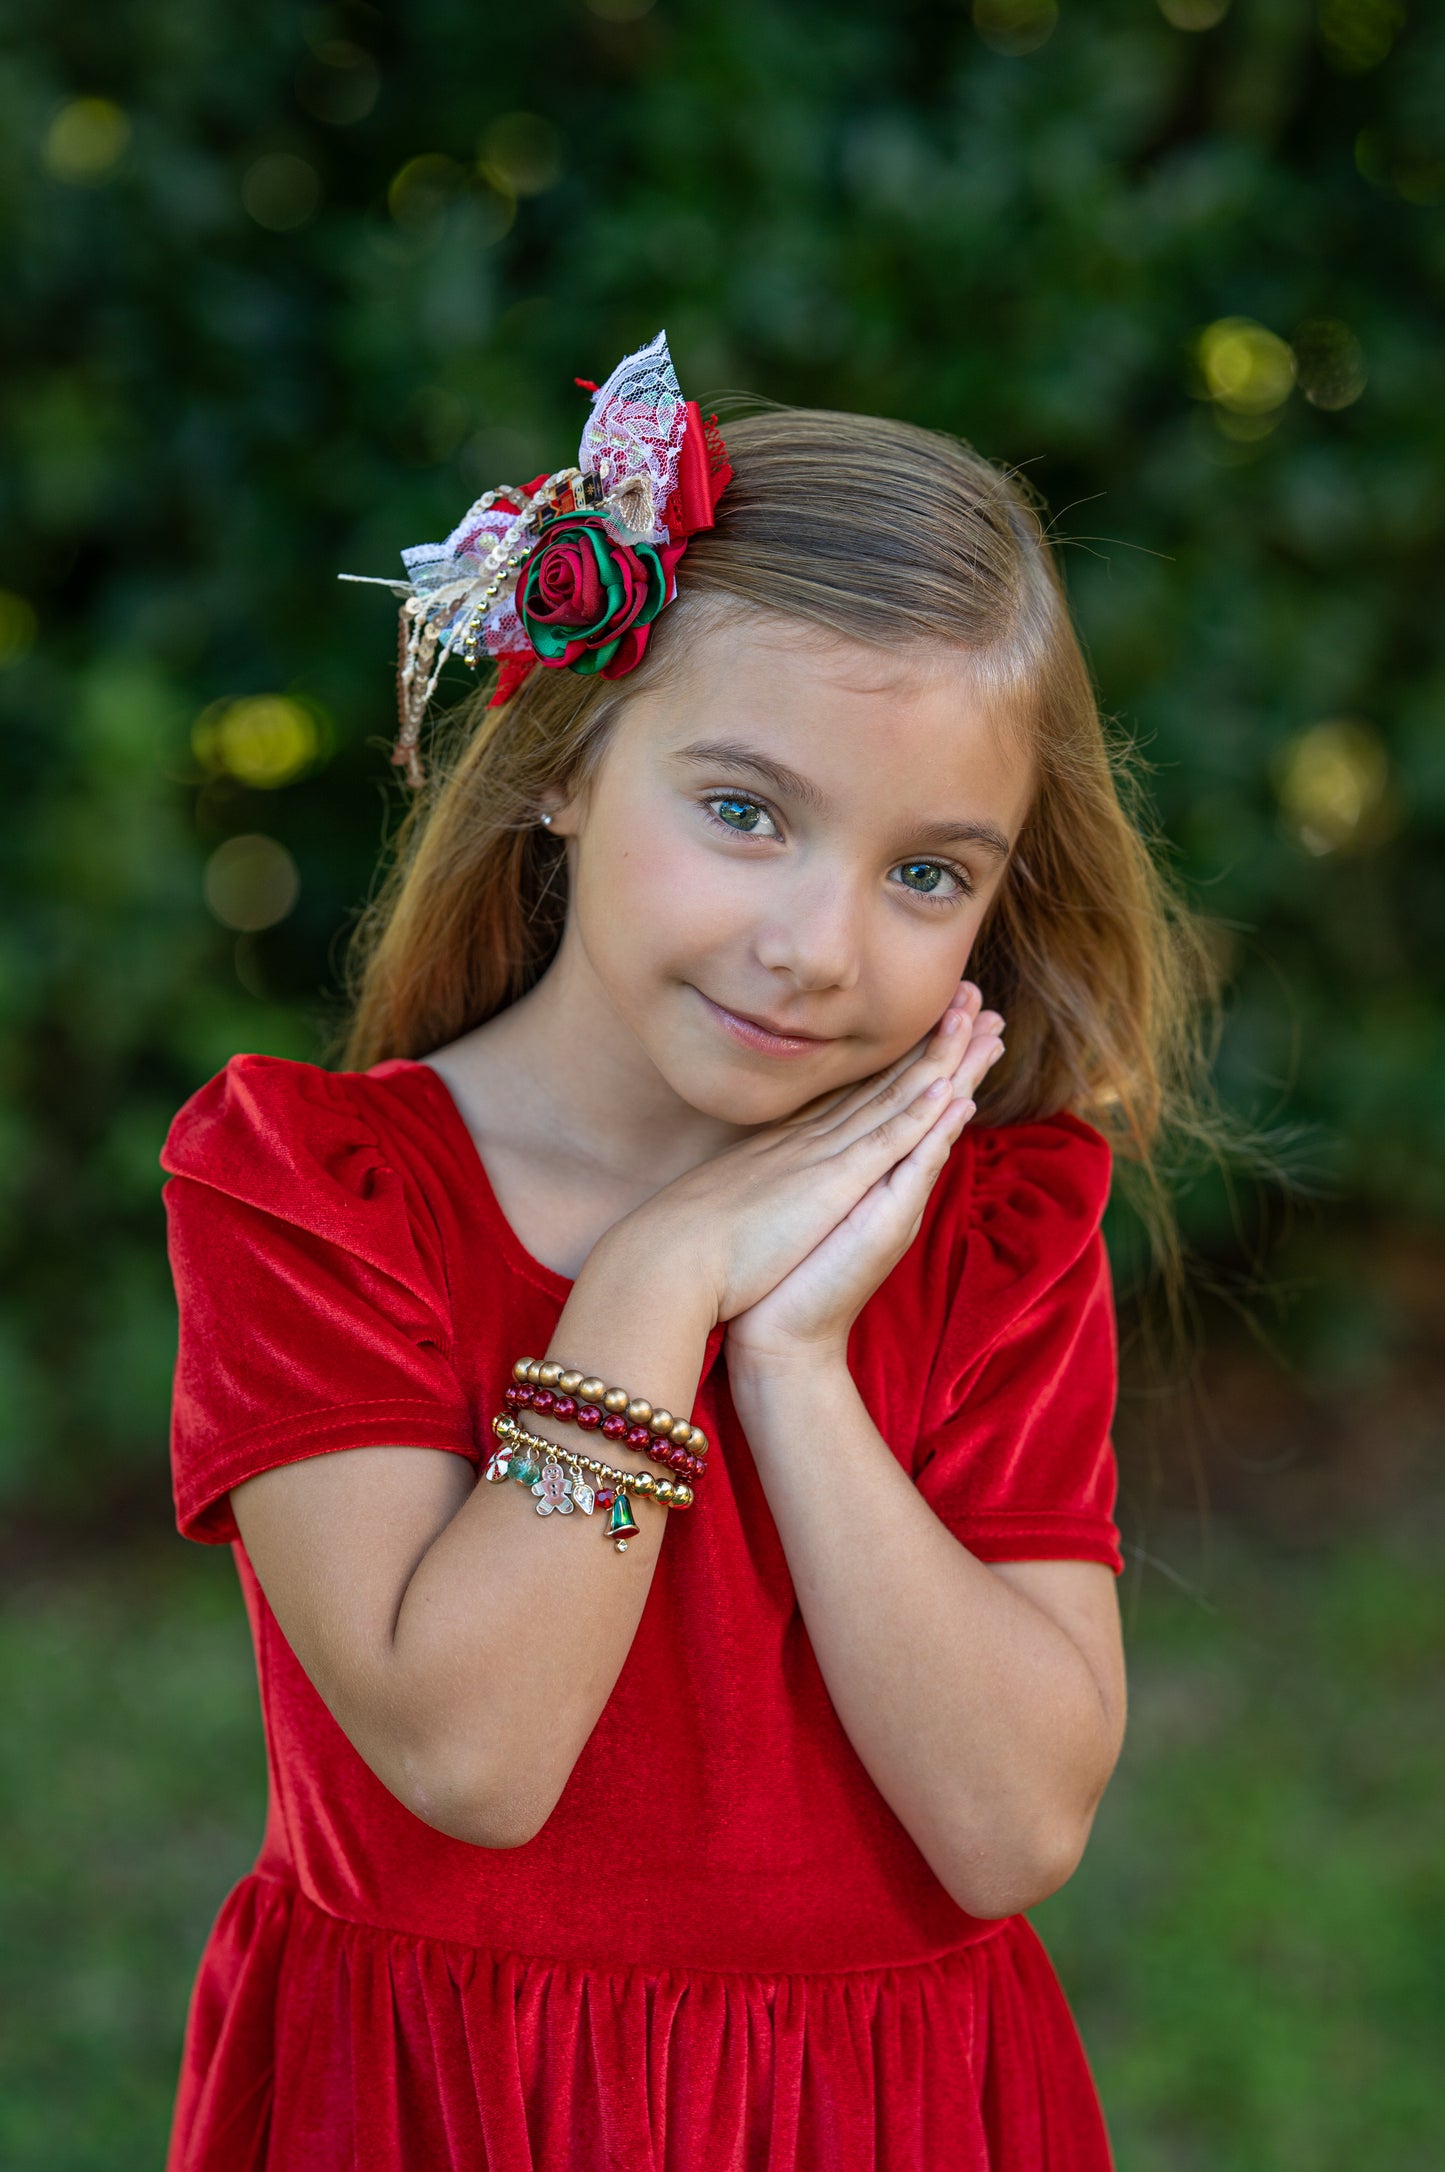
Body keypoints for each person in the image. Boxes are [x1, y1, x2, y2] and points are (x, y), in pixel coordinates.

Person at [159, 332, 1222, 2169]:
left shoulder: (992, 1232)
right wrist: (656, 1284)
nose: (817, 946)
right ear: (566, 763)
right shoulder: (314, 1192)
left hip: (886, 2118)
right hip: (443, 2108)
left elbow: (1009, 1828)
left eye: (926, 873)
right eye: (744, 812)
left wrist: (796, 1360)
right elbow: (472, 1758)